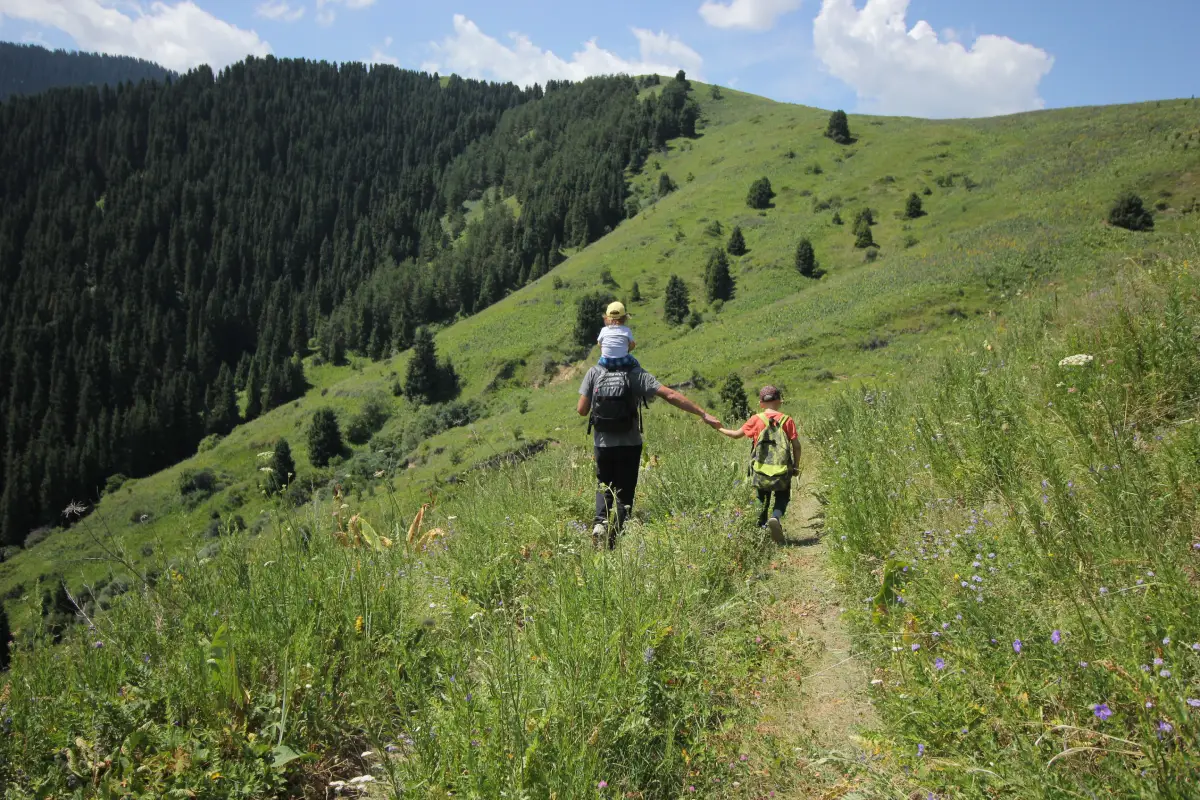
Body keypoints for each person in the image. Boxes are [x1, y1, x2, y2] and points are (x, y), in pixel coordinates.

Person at [578, 362, 721, 548]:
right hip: (630, 444)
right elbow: (670, 394)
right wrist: (702, 413)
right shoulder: (635, 373)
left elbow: (581, 410)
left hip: (603, 444)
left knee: (604, 485)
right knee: (624, 493)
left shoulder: (594, 372)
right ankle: (613, 544)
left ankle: (600, 524)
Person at [717, 385, 800, 544]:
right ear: (779, 401)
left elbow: (735, 435)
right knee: (783, 495)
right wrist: (795, 466)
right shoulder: (787, 420)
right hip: (782, 470)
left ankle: (761, 533)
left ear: (761, 404)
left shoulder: (756, 419)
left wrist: (719, 427)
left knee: (761, 499)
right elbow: (796, 445)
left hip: (760, 470)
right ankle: (775, 516)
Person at [596, 301, 639, 371]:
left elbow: (599, 344)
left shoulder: (604, 330)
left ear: (606, 318)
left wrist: (604, 351)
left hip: (606, 361)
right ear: (624, 318)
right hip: (623, 361)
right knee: (636, 364)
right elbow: (632, 345)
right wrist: (627, 350)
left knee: (596, 368)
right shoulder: (626, 330)